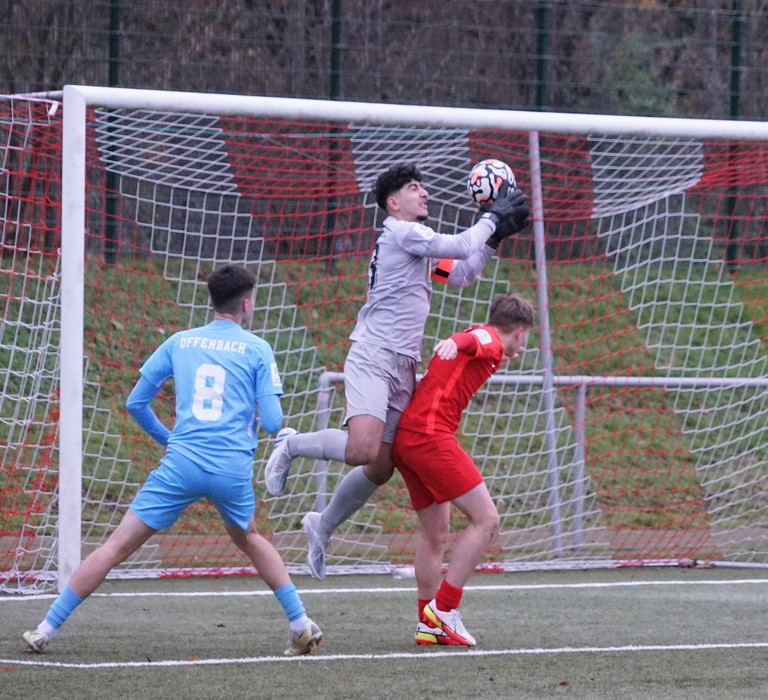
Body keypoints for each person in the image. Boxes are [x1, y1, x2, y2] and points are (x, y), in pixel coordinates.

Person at [22, 264, 323, 657]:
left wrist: (171, 440)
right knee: (250, 538)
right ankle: (300, 623)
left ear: (212, 301)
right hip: (231, 470)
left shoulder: (180, 342)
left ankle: (45, 629)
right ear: (247, 304)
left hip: (181, 465)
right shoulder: (257, 349)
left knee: (115, 547)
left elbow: (136, 403)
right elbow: (271, 422)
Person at [264, 162, 530, 580]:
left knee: (380, 466)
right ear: (393, 203)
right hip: (374, 354)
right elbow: (461, 245)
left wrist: (493, 238)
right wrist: (492, 219)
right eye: (413, 187)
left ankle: (323, 525)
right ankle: (291, 444)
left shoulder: (417, 246)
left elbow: (461, 272)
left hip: (403, 363)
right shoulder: (402, 233)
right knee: (362, 449)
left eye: (422, 186)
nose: (424, 193)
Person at [393, 292, 534, 647]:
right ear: (519, 332)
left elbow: (474, 342)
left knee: (435, 533)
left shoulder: (486, 339)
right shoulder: (489, 339)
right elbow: (474, 341)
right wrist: (454, 343)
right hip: (429, 435)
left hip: (407, 438)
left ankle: (428, 621)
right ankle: (444, 610)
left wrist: (461, 344)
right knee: (487, 521)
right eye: (525, 338)